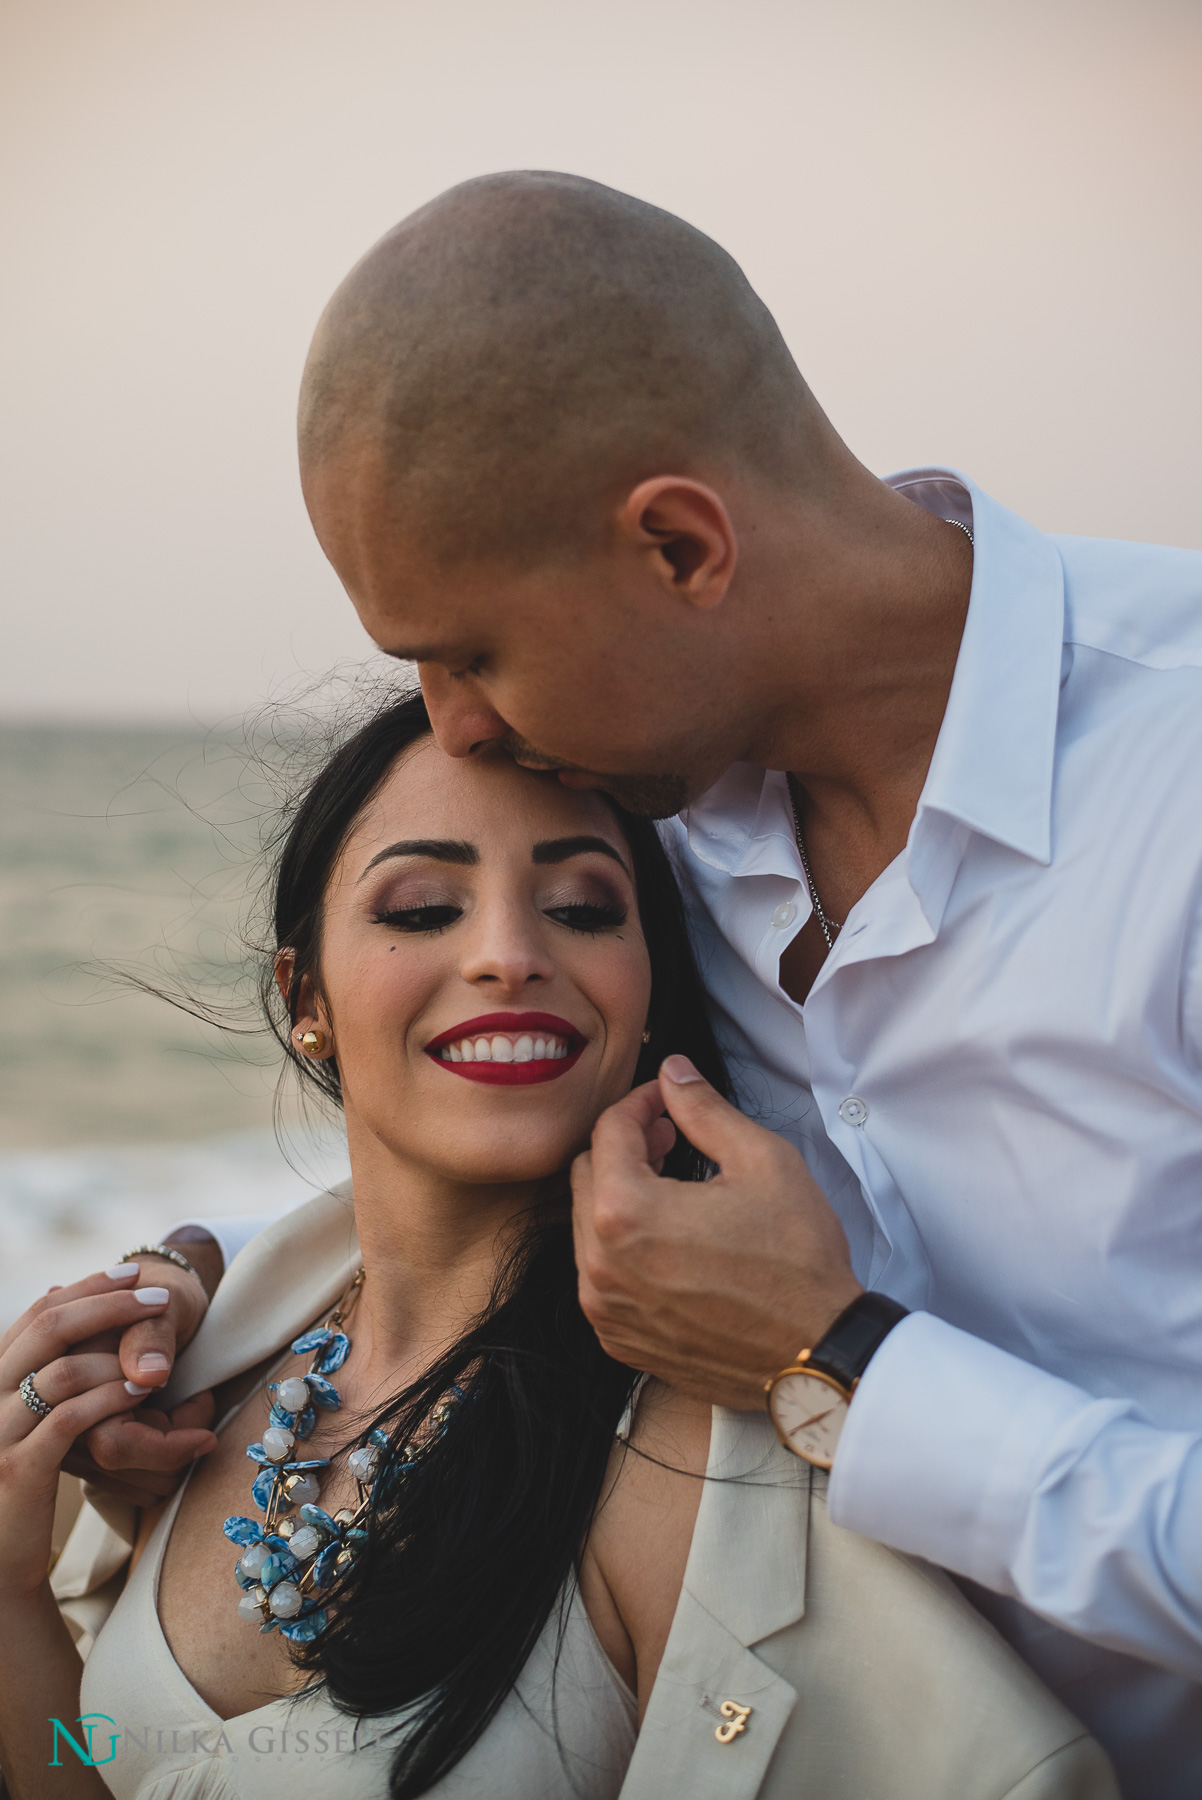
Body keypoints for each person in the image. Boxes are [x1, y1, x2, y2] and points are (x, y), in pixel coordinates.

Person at [74, 172, 1201, 1795]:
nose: (449, 729)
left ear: (677, 545)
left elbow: (791, 1325)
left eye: (467, 651)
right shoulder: (659, 807)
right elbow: (485, 1125)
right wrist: (202, 1298)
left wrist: (843, 1366)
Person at [0, 693, 1113, 1800]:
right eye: (425, 906)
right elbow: (94, 1769)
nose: (507, 954)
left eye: (582, 907)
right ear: (308, 999)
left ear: (644, 999)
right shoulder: (205, 1381)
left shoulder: (689, 1454)